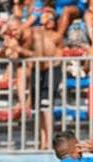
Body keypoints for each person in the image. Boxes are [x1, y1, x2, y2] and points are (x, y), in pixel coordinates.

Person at [31, 7, 72, 149]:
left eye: (51, 17)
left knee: (46, 105)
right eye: (46, 16)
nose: (49, 19)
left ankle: (48, 141)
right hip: (39, 70)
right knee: (40, 108)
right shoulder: (36, 33)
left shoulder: (56, 36)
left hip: (52, 70)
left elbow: (57, 56)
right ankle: (42, 140)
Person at [0, 17, 36, 114]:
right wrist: (5, 45)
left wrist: (18, 50)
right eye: (11, 31)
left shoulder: (31, 35)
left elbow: (36, 55)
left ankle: (27, 103)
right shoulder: (12, 37)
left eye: (15, 30)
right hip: (23, 67)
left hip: (37, 67)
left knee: (27, 68)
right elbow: (0, 57)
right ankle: (22, 103)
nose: (14, 33)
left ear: (22, 27)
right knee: (20, 69)